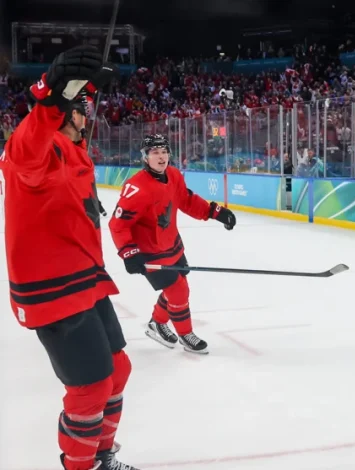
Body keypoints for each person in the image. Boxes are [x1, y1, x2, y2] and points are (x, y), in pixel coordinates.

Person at [0, 45, 138, 470]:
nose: (89, 117)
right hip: (52, 289)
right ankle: (80, 466)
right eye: (84, 108)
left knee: (118, 369)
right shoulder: (41, 148)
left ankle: (101, 454)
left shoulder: (77, 150)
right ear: (66, 114)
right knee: (90, 387)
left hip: (86, 279)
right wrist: (51, 99)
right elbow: (24, 152)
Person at [108, 134, 236, 354]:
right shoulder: (136, 188)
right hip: (150, 251)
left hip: (172, 244)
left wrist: (214, 212)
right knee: (178, 290)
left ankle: (156, 323)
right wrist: (129, 253)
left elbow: (186, 200)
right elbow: (117, 224)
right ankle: (186, 334)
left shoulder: (174, 175)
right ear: (145, 157)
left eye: (164, 151)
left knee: (177, 285)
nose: (161, 157)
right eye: (155, 152)